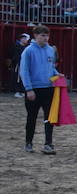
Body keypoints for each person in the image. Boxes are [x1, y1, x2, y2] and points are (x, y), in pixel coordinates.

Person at [20, 25, 58, 154]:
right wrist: (29, 89)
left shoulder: (50, 50)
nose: (45, 38)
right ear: (35, 36)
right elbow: (24, 71)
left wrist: (58, 74)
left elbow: (51, 67)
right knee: (32, 117)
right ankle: (28, 143)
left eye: (47, 35)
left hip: (48, 89)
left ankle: (48, 143)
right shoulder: (28, 51)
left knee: (49, 118)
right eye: (42, 35)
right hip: (34, 89)